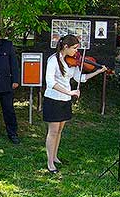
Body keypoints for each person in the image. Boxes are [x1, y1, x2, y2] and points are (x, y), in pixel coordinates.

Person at [43, 34, 107, 173]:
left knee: (59, 130)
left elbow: (80, 78)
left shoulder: (74, 62)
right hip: (53, 99)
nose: (76, 52)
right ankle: (50, 163)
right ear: (65, 47)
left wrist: (98, 71)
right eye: (74, 48)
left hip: (65, 101)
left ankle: (54, 156)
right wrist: (69, 92)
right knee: (53, 132)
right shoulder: (53, 60)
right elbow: (50, 83)